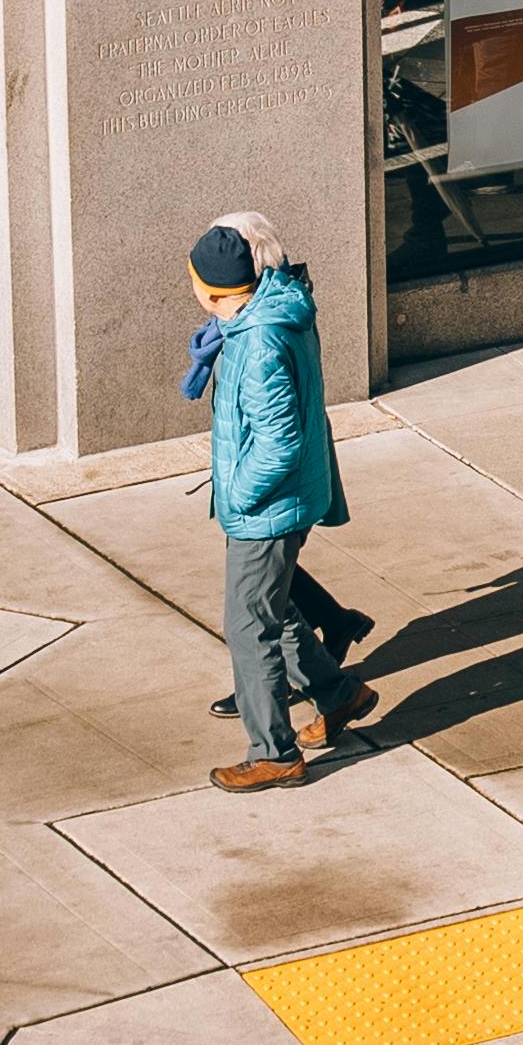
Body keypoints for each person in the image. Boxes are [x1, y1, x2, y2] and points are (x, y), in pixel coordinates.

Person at [188, 216, 374, 792]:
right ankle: (340, 693)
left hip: (266, 508)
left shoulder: (260, 340)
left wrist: (237, 497)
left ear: (214, 290)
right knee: (278, 603)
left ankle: (273, 751)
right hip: (280, 502)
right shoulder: (261, 317)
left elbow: (277, 441)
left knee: (249, 626)